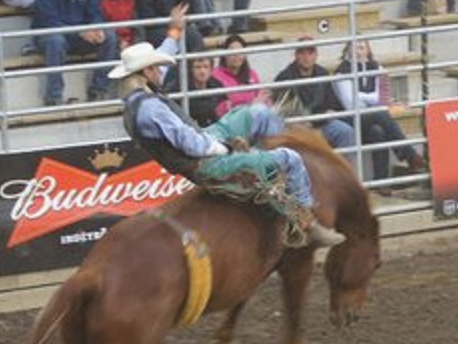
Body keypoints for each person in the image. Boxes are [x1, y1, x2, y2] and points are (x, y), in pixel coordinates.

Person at [114, 28, 346, 247]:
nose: (160, 70)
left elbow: (164, 58)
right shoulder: (153, 110)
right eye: (155, 67)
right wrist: (226, 148)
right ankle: (305, 221)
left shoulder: (140, 97)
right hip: (203, 161)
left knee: (255, 114)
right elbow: (191, 144)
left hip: (202, 141)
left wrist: (174, 32)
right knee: (290, 157)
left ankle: (274, 158)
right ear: (146, 72)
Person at [333, 39, 426, 182]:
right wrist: (372, 99)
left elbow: (383, 98)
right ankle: (409, 154)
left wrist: (360, 95)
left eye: (362, 47)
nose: (358, 52)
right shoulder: (341, 73)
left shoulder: (378, 68)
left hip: (372, 119)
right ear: (347, 51)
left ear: (368, 51)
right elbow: (350, 104)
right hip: (350, 119)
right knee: (379, 113)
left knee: (378, 131)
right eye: (355, 48)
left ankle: (381, 181)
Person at [32, 0, 117, 106]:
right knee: (55, 40)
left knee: (109, 36)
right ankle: (54, 96)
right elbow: (50, 22)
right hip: (52, 37)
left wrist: (96, 28)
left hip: (80, 37)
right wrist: (80, 31)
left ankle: (99, 89)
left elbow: (96, 13)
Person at [273, 35, 352, 148]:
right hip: (298, 128)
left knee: (346, 131)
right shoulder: (284, 78)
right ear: (295, 55)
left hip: (322, 124)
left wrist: (324, 119)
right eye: (302, 52)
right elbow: (284, 115)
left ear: (316, 55)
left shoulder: (322, 73)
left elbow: (332, 106)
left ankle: (348, 166)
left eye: (310, 52)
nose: (306, 57)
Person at [211, 31, 266, 116]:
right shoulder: (215, 75)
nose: (236, 55)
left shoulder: (252, 74)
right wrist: (250, 106)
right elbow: (220, 108)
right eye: (232, 51)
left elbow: (262, 97)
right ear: (224, 54)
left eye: (240, 51)